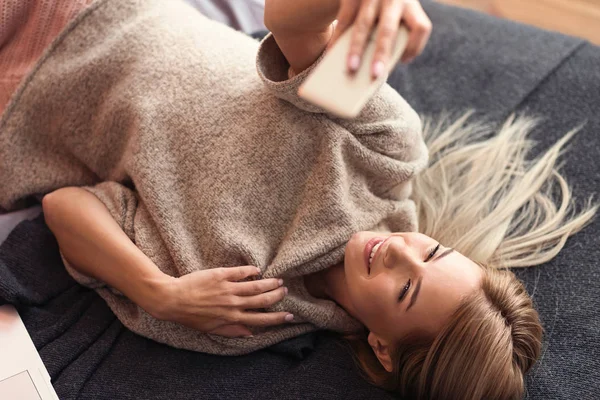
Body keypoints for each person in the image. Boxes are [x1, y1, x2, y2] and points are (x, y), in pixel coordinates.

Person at [0, 0, 595, 399]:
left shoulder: (239, 312)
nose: (398, 252)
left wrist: (161, 294)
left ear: (383, 350)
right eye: (431, 252)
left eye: (406, 288)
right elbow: (290, 20)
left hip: (19, 109)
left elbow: (68, 208)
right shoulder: (383, 149)